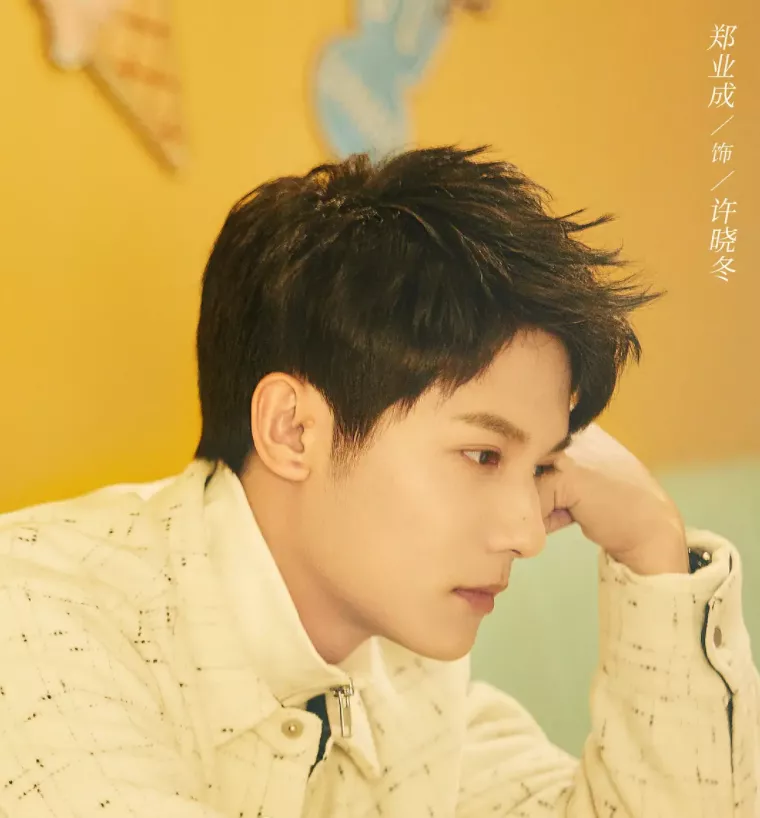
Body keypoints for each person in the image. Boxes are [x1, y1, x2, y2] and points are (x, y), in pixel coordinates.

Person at [0, 146, 757, 818]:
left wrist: (652, 549)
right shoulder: (34, 625)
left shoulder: (408, 671)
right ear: (292, 429)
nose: (528, 534)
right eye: (483, 456)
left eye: (541, 469)